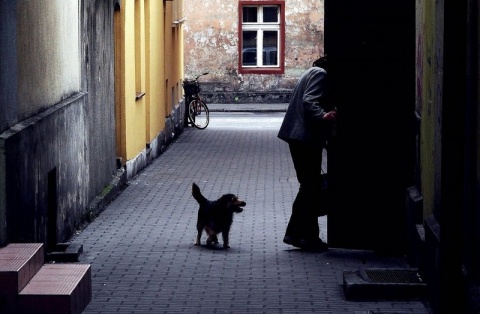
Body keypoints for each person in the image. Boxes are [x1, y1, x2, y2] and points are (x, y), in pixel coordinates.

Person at [277, 56, 336, 251]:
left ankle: (304, 236)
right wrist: (323, 115)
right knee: (310, 186)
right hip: (304, 138)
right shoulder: (321, 74)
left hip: (300, 137)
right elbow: (309, 101)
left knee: (309, 187)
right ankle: (300, 235)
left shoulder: (312, 72)